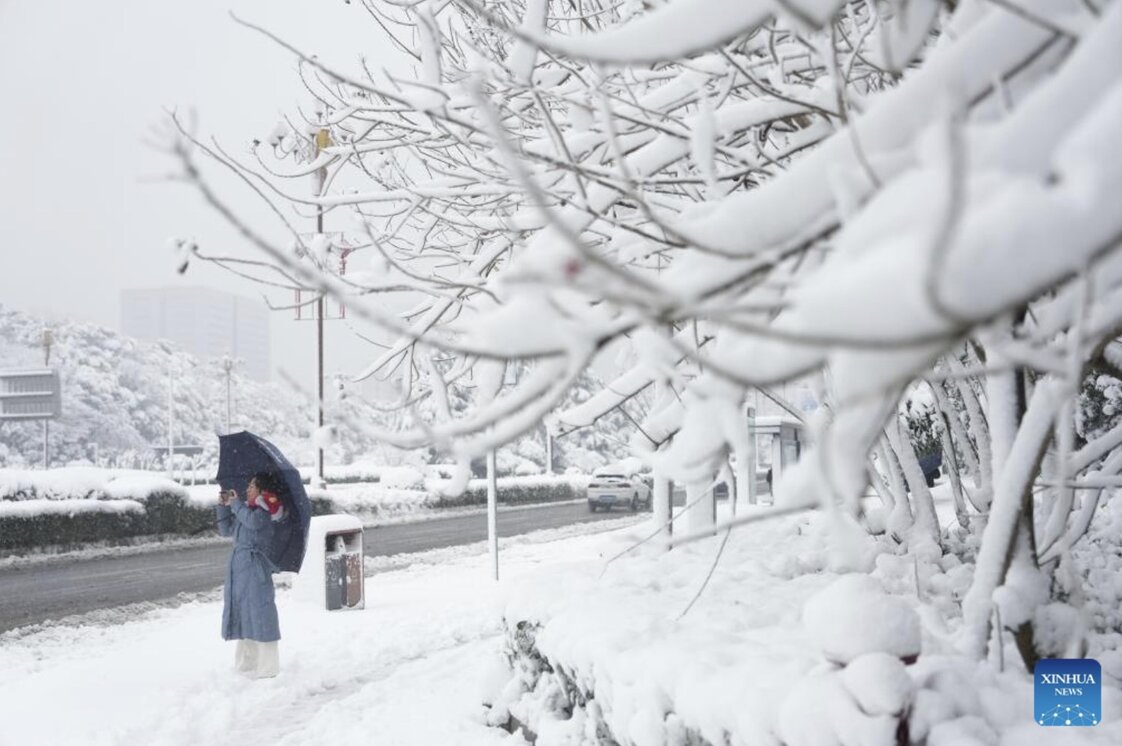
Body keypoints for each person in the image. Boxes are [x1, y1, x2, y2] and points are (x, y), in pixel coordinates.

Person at [216, 471, 287, 678]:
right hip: (239, 569)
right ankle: (246, 665)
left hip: (256, 569)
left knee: (261, 614)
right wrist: (223, 506)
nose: (247, 489)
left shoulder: (266, 511)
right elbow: (226, 530)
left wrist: (236, 504)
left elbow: (254, 523)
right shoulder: (248, 509)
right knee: (243, 613)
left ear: (263, 491)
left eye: (251, 486)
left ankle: (268, 668)